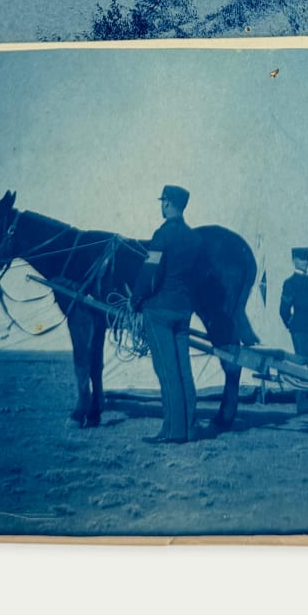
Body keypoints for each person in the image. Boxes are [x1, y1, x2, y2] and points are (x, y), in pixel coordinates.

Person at [132, 184, 201, 444]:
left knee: (166, 370)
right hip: (183, 311)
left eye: (163, 202)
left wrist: (135, 300)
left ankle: (173, 431)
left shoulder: (162, 234)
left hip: (159, 310)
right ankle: (190, 427)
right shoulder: (194, 238)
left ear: (168, 204)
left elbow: (150, 273)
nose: (161, 205)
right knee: (184, 370)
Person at [279, 247, 308, 362]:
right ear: (294, 260)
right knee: (302, 363)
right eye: (301, 259)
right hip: (301, 330)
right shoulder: (290, 282)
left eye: (306, 259)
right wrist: (291, 324)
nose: (305, 262)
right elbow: (283, 310)